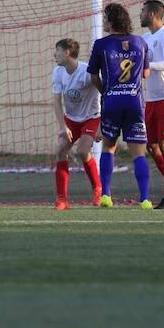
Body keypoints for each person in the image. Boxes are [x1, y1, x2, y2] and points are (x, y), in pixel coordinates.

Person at [87, 3, 151, 208]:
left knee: (109, 146)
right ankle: (145, 199)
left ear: (112, 20)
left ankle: (106, 195)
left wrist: (106, 91)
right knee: (138, 152)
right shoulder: (140, 42)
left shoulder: (101, 45)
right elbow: (146, 74)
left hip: (112, 101)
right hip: (134, 102)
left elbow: (93, 77)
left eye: (105, 18)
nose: (104, 21)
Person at [51, 39, 102, 209]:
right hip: (71, 120)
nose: (54, 54)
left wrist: (102, 126)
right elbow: (57, 101)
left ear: (66, 52)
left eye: (57, 50)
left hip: (91, 118)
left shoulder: (87, 71)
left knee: (82, 151)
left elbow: (105, 93)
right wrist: (62, 126)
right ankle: (62, 199)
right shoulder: (58, 72)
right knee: (60, 151)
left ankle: (97, 189)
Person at [139, 0, 164, 208]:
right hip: (150, 99)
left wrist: (147, 65)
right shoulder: (143, 38)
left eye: (142, 11)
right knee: (151, 145)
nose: (140, 15)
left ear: (151, 14)